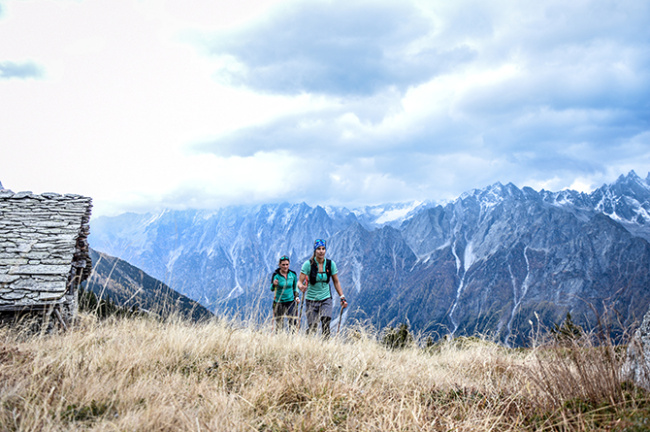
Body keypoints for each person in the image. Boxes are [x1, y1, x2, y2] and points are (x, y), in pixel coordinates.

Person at [298, 239, 348, 338]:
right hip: (311, 299)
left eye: (323, 249)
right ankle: (307, 343)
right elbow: (299, 281)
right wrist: (301, 287)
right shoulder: (308, 265)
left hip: (326, 298)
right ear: (315, 251)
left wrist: (342, 297)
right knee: (313, 327)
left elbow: (336, 281)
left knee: (326, 323)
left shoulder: (330, 264)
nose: (321, 251)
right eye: (319, 249)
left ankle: (326, 348)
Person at [270, 255, 300, 332]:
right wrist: (274, 284)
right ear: (279, 265)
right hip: (279, 302)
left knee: (293, 322)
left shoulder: (293, 274)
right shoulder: (276, 275)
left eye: (287, 264)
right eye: (283, 264)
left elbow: (295, 287)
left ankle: (291, 340)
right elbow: (272, 289)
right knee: (279, 324)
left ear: (289, 264)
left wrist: (296, 296)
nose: (285, 266)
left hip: (290, 302)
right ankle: (280, 339)